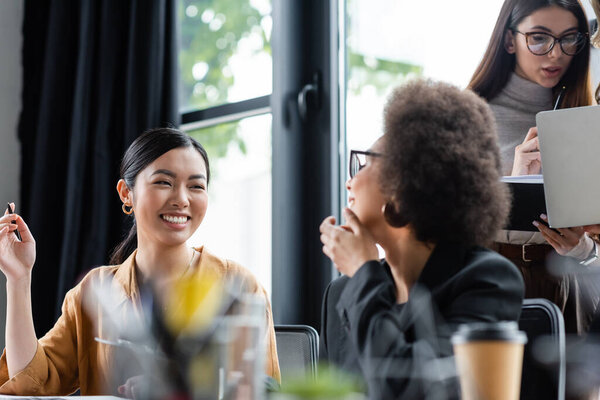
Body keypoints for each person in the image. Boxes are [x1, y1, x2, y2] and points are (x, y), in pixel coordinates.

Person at [0, 128, 280, 396]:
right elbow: (31, 382)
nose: (181, 199)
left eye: (196, 186)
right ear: (126, 193)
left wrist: (175, 389)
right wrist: (19, 278)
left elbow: (263, 391)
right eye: (163, 182)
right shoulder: (95, 292)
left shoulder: (238, 286)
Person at [319, 80, 525, 399]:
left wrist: (363, 272)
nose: (350, 182)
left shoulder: (486, 281)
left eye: (364, 163)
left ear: (407, 182)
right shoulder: (341, 292)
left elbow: (414, 390)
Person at [468, 0, 597, 334]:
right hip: (492, 282)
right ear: (510, 40)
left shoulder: (588, 118)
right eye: (539, 38)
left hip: (571, 289)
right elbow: (439, 232)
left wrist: (582, 248)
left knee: (569, 386)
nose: (556, 54)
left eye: (569, 38)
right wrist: (513, 185)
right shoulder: (468, 116)